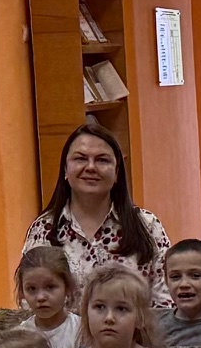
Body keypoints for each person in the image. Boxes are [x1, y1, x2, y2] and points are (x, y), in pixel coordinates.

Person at [25, 122, 174, 308]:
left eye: (102, 160)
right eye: (80, 159)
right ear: (65, 169)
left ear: (117, 172)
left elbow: (166, 303)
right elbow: (29, 302)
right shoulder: (43, 230)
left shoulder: (147, 226)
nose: (91, 167)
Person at [14, 244, 82, 348]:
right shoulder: (20, 336)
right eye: (31, 289)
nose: (41, 297)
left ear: (67, 287)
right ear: (22, 292)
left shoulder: (81, 331)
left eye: (50, 287)